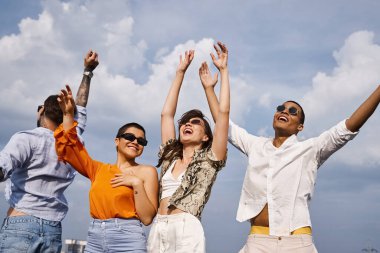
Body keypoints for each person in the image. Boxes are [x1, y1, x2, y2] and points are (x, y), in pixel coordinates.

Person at [202, 67, 380, 251]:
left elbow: (348, 127)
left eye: (292, 111)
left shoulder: (310, 149)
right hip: (258, 240)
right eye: (281, 108)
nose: (284, 111)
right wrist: (209, 88)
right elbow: (224, 125)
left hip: (296, 242)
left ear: (300, 127)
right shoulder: (255, 145)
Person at [0, 50, 99, 252]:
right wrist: (87, 72)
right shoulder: (73, 142)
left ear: (42, 111)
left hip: (21, 223)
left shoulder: (27, 138)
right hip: (54, 229)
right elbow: (80, 106)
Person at [147, 42, 230, 253]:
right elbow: (166, 115)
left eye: (196, 123)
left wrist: (222, 72)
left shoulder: (211, 158)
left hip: (186, 226)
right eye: (185, 122)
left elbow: (223, 116)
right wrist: (180, 73)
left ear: (205, 137)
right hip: (159, 225)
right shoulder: (170, 156)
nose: (187, 124)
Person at [54, 84, 158, 252]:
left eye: (141, 141)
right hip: (95, 237)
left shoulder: (147, 172)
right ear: (117, 141)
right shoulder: (98, 170)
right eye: (130, 137)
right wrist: (67, 115)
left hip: (128, 239)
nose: (135, 142)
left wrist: (136, 183)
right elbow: (71, 148)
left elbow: (147, 218)